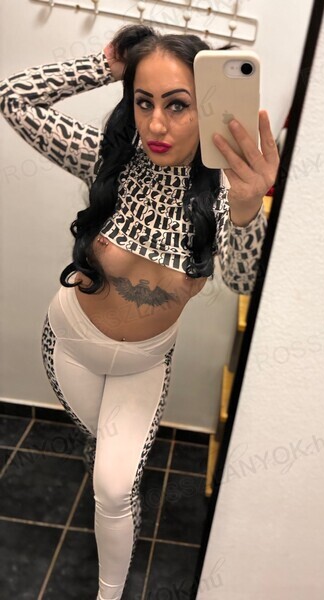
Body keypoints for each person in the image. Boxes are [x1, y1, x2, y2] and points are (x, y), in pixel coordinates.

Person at [0, 24, 279, 599]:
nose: (155, 124)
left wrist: (250, 206)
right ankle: (106, 462)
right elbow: (13, 98)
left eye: (177, 105)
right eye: (143, 101)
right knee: (102, 454)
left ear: (208, 106)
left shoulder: (226, 195)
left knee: (112, 486)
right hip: (70, 343)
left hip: (143, 364)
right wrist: (105, 65)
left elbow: (244, 279)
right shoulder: (109, 161)